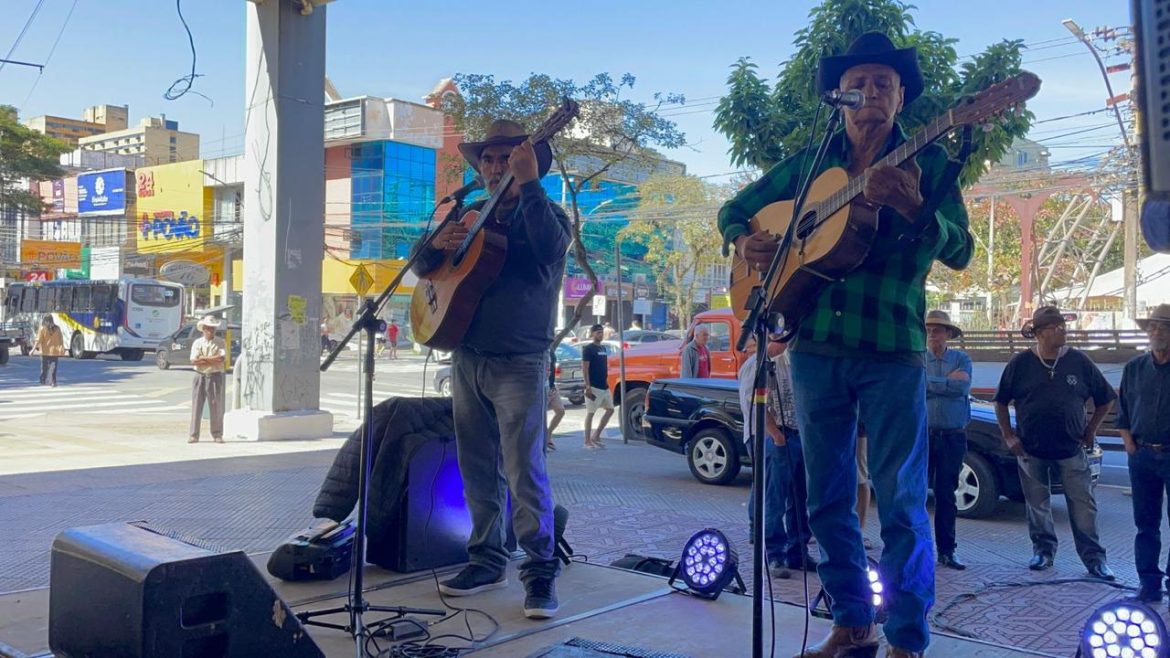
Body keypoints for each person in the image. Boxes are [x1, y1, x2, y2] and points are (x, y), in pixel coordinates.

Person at [718, 32, 973, 658]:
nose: (872, 96)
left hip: (892, 349)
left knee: (902, 502)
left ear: (901, 96)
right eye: (859, 85)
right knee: (826, 496)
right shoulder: (811, 165)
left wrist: (918, 208)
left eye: (885, 84)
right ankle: (852, 621)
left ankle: (907, 639)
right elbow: (736, 208)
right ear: (841, 98)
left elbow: (962, 250)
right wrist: (742, 240)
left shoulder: (931, 161)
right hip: (816, 347)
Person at [409, 118, 570, 619]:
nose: (496, 166)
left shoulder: (546, 212)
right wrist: (438, 245)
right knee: (476, 467)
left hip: (520, 361)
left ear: (524, 163)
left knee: (524, 472)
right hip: (467, 355)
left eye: (506, 158)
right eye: (491, 160)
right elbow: (419, 264)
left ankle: (540, 572)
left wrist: (530, 185)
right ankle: (486, 558)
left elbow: (548, 248)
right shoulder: (469, 211)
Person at [993, 306, 1116, 578]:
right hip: (1030, 448)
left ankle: (1094, 559)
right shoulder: (1020, 363)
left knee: (1083, 505)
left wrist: (1091, 429)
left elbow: (1106, 399)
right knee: (1037, 504)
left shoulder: (1079, 361)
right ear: (1038, 333)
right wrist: (1008, 435)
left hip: (1072, 448)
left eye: (1063, 325)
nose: (1062, 330)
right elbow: (1000, 402)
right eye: (1055, 327)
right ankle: (1043, 551)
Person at [738, 333, 816, 580]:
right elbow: (755, 403)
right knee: (774, 496)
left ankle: (798, 551)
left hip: (796, 432)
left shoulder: (798, 361)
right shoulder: (759, 364)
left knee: (799, 496)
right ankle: (775, 553)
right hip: (770, 435)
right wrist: (776, 435)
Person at [1117, 304, 1170, 602]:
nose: (1155, 331)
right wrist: (1129, 445)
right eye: (1152, 326)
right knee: (1146, 522)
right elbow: (1122, 410)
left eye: (1162, 326)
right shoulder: (1134, 367)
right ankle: (1148, 582)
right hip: (1142, 454)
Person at [924, 310, 972, 571]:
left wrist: (930, 384)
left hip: (953, 437)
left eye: (938, 329)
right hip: (924, 436)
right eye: (929, 329)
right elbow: (916, 386)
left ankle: (947, 551)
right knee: (917, 494)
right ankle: (918, 550)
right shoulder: (920, 359)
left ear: (948, 334)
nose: (933, 333)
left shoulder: (961, 358)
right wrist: (945, 382)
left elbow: (962, 388)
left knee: (946, 496)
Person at [189, 315, 227, 444]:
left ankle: (217, 434)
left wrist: (204, 359)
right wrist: (211, 359)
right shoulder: (197, 343)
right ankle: (194, 435)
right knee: (196, 406)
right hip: (200, 375)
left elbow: (221, 359)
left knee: (216, 407)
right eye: (209, 328)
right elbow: (194, 360)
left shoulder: (220, 342)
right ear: (203, 329)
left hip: (215, 375)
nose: (211, 330)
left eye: (213, 328)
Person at [582, 323, 614, 450]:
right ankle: (587, 440)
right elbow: (585, 368)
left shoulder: (603, 348)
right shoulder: (588, 349)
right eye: (597, 332)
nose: (600, 334)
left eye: (601, 332)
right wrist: (587, 385)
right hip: (593, 387)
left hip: (604, 386)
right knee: (591, 413)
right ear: (592, 334)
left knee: (610, 410)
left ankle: (596, 436)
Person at [32, 315, 65, 387]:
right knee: (53, 368)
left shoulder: (42, 329)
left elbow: (38, 340)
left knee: (44, 367)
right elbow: (61, 339)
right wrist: (62, 347)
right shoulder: (57, 328)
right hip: (54, 352)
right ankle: (53, 382)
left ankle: (43, 379)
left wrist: (33, 350)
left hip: (45, 352)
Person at [546, 346, 565, 451]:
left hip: (552, 385)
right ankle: (543, 441)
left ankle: (548, 435)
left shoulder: (551, 349)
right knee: (541, 416)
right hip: (542, 385)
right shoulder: (540, 347)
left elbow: (552, 367)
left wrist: (552, 384)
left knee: (560, 410)